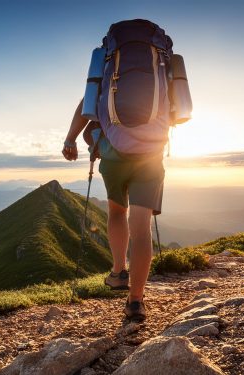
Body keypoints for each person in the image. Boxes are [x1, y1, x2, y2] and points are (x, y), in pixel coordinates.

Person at [62, 99, 165, 322]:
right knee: (141, 229)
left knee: (117, 211)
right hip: (150, 155)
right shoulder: (165, 63)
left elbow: (87, 102)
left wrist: (70, 138)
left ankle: (119, 271)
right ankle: (136, 301)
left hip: (113, 154)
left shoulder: (108, 63)